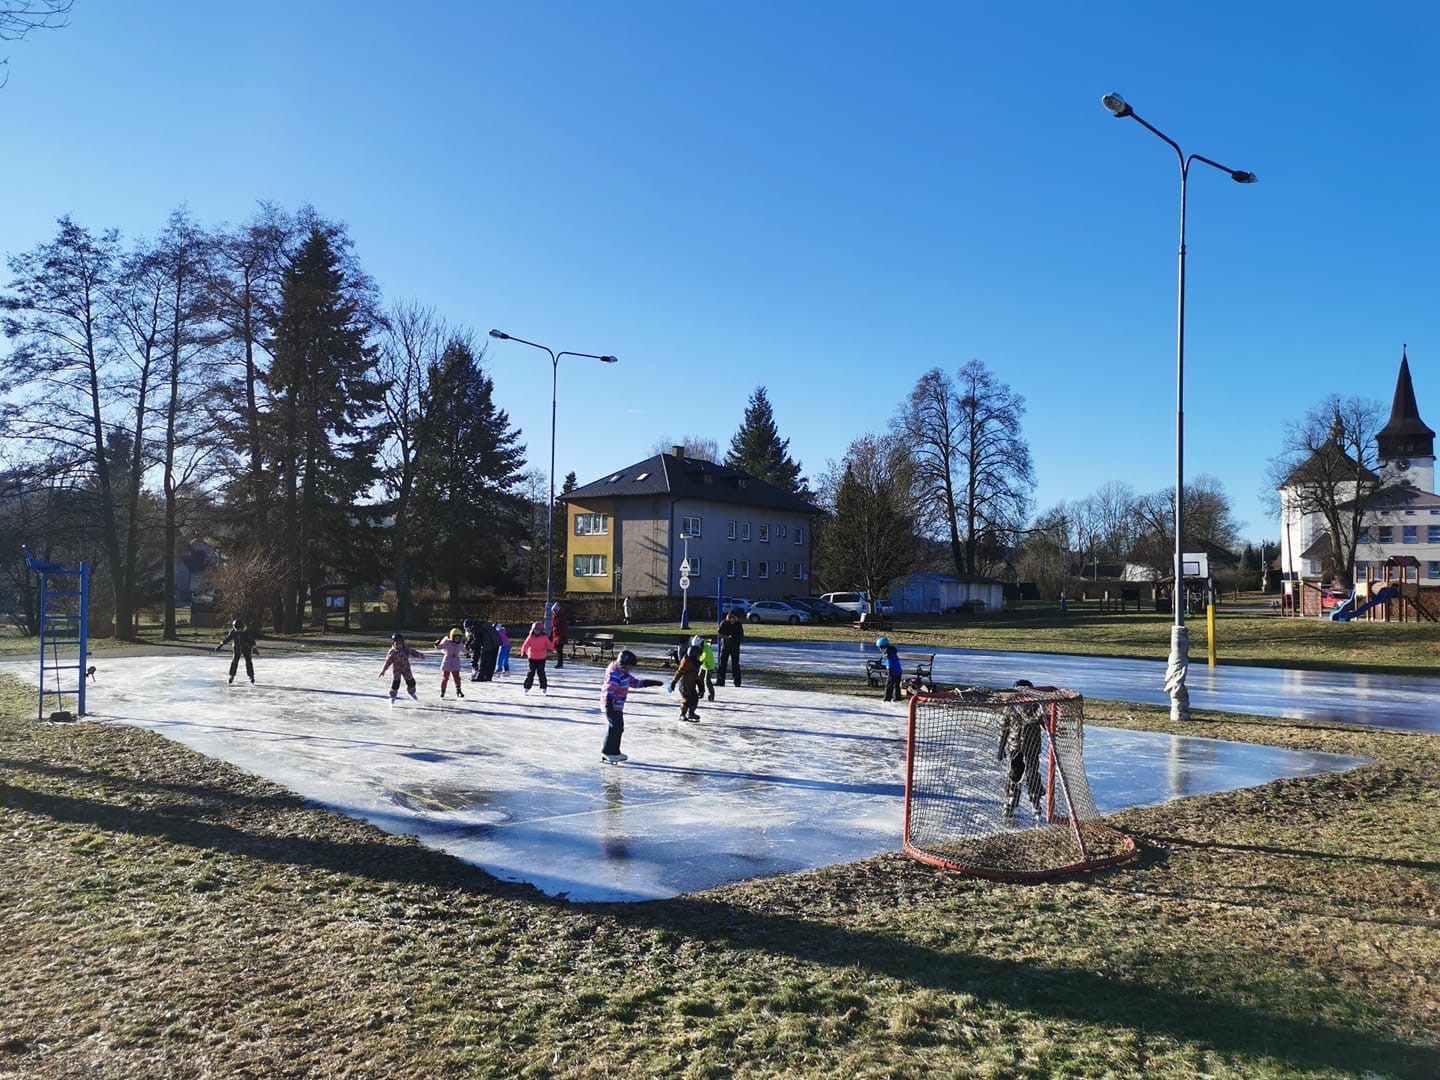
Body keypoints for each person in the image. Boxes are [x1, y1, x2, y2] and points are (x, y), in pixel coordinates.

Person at [600, 649, 663, 764]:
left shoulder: (624, 674)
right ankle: (607, 752)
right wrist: (609, 706)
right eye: (630, 666)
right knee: (615, 727)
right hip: (610, 705)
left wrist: (651, 682)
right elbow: (608, 690)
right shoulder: (614, 673)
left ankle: (615, 752)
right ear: (623, 664)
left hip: (617, 706)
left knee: (619, 728)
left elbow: (635, 683)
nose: (631, 669)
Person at [998, 679, 1047, 817]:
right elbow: (1004, 729)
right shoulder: (1010, 707)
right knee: (1015, 772)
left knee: (1032, 772)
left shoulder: (1037, 707)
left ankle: (1035, 798)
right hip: (1015, 745)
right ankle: (1011, 798)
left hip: (1032, 745)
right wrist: (1001, 748)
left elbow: (1046, 724)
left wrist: (1053, 730)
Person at [380, 633, 425, 701]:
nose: (399, 645)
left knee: (411, 682)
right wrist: (383, 671)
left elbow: (413, 652)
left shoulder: (405, 649)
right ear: (393, 643)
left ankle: (412, 693)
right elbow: (388, 662)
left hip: (406, 668)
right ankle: (392, 696)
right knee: (396, 683)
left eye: (400, 643)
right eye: (397, 643)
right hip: (397, 670)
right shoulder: (392, 652)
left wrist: (420, 655)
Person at [669, 635, 704, 721]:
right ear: (694, 655)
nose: (699, 657)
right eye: (698, 656)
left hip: (692, 685)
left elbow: (696, 677)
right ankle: (682, 714)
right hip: (684, 685)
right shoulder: (686, 663)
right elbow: (679, 673)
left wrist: (701, 687)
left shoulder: (695, 664)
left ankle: (691, 713)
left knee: (695, 699)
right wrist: (673, 682)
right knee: (687, 700)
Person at [215, 617, 258, 684]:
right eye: (236, 628)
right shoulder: (233, 632)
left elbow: (252, 641)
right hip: (236, 648)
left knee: (248, 662)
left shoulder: (246, 632)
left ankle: (251, 676)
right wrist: (220, 645)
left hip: (246, 649)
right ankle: (231, 675)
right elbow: (228, 639)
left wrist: (254, 648)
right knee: (234, 662)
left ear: (242, 627)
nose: (237, 630)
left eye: (239, 629)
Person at [520, 620, 555, 694]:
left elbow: (549, 645)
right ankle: (527, 687)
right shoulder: (530, 637)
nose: (537, 631)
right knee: (531, 672)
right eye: (536, 630)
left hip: (541, 658)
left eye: (539, 630)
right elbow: (525, 645)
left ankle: (543, 687)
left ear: (541, 630)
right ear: (533, 630)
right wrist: (523, 652)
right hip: (532, 658)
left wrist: (552, 647)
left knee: (541, 673)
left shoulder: (544, 638)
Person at [433, 628, 467, 698]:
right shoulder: (448, 643)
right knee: (445, 677)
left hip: (455, 662)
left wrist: (467, 653)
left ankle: (458, 690)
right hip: (447, 661)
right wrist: (436, 644)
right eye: (456, 638)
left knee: (457, 677)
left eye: (458, 638)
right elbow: (440, 647)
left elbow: (464, 650)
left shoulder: (460, 644)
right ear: (452, 637)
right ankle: (443, 691)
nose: (457, 639)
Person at [716, 608, 744, 687]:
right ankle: (720, 681)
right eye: (732, 618)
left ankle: (737, 682)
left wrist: (735, 639)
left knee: (735, 664)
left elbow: (741, 635)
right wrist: (727, 637)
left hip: (735, 647)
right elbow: (720, 633)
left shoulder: (738, 624)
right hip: (725, 646)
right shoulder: (724, 623)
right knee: (722, 664)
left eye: (735, 618)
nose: (733, 620)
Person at [877, 636, 903, 702]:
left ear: (884, 647)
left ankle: (887, 698)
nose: (880, 649)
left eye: (881, 647)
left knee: (889, 684)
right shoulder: (892, 651)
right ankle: (897, 698)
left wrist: (888, 667)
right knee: (896, 685)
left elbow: (889, 662)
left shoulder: (888, 653)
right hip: (898, 670)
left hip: (892, 670)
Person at [549, 603, 569, 669]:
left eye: (554, 611)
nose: (553, 612)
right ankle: (559, 663)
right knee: (557, 649)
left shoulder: (561, 617)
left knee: (559, 650)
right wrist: (550, 636)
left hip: (560, 636)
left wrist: (564, 635)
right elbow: (553, 627)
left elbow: (564, 627)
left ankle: (560, 663)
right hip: (556, 636)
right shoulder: (554, 617)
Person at [699, 636, 717, 702]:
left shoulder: (707, 649)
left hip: (709, 666)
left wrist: (699, 660)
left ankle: (711, 694)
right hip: (704, 665)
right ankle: (701, 691)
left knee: (707, 680)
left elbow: (705, 658)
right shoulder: (701, 647)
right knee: (700, 678)